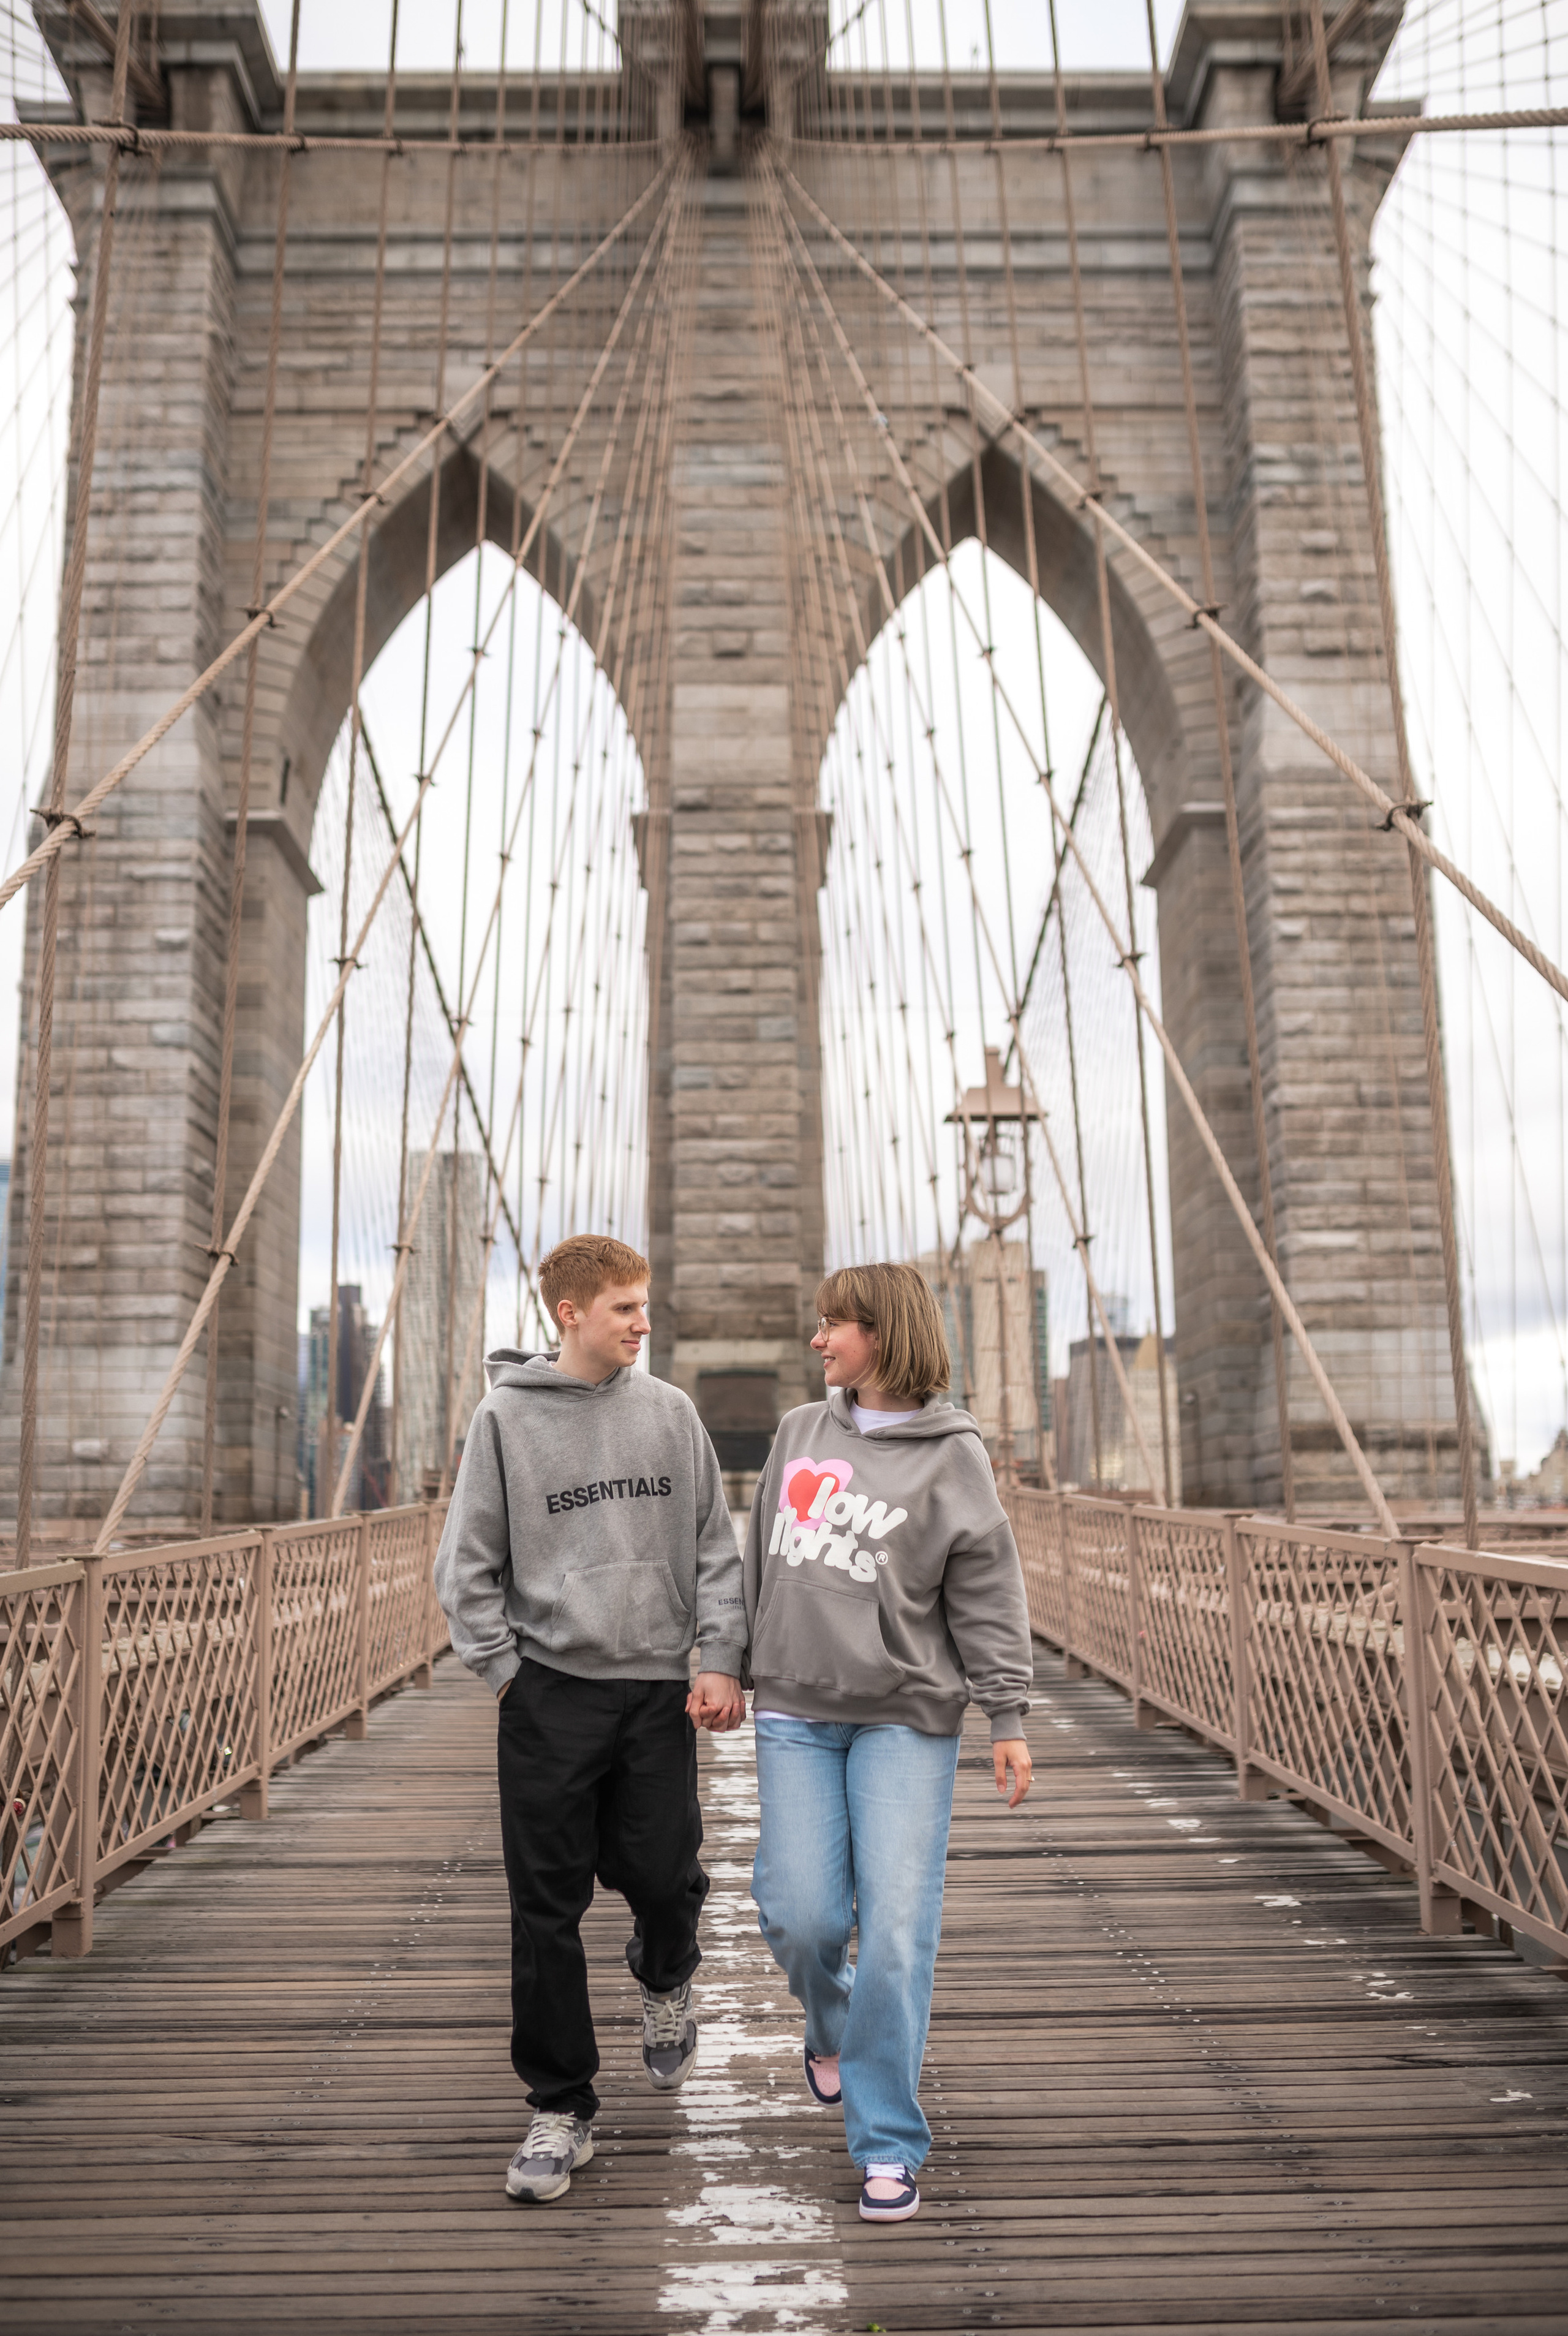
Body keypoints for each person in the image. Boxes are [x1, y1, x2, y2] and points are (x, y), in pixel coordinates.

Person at [434, 1234, 746, 2205]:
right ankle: (561, 2106)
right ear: (571, 1312)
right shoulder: (504, 1420)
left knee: (662, 1872)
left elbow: (715, 1548)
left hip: (656, 1688)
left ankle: (665, 1977)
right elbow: (466, 1567)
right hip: (549, 1692)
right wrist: (506, 1676)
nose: (644, 1322)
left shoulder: (672, 1413)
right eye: (626, 1307)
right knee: (545, 1909)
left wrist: (718, 1656)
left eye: (645, 1304)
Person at [742, 1261, 1034, 2224]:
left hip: (906, 1713)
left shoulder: (955, 1456)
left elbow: (987, 1592)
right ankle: (832, 2025)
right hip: (793, 1708)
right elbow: (752, 1559)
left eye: (837, 1324)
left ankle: (887, 2142)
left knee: (898, 1932)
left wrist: (1009, 1714)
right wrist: (722, 1661)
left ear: (887, 1333)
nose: (819, 1341)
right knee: (802, 1917)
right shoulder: (798, 1432)